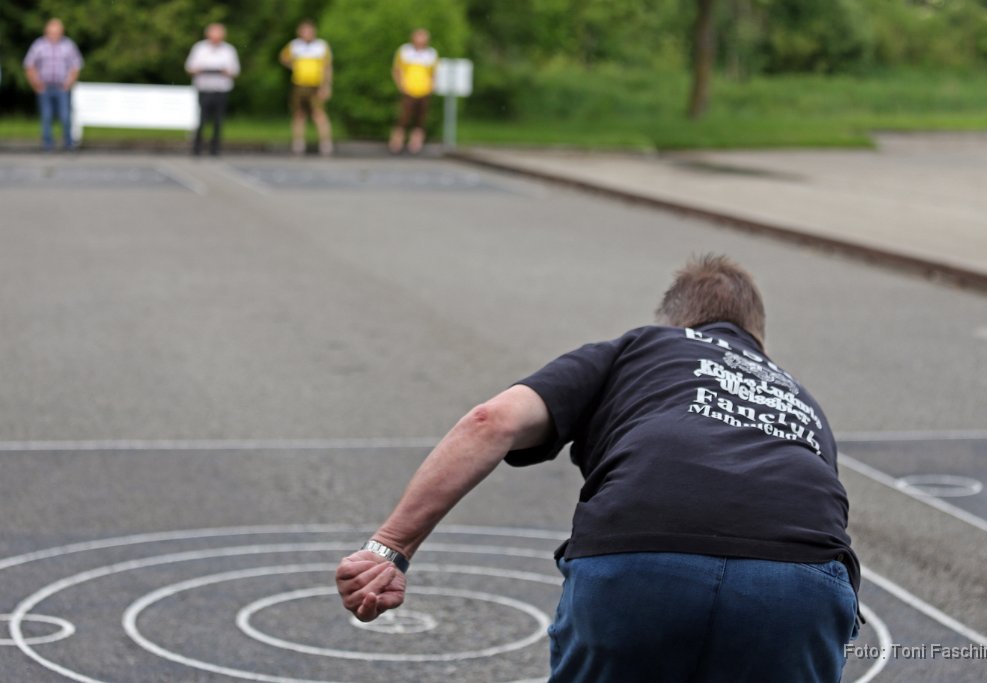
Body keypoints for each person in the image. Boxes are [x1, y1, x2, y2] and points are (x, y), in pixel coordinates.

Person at [336, 255, 861, 683]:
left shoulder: (644, 345)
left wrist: (391, 546)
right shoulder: (800, 398)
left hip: (642, 556)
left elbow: (490, 421)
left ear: (677, 322)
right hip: (799, 582)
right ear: (758, 340)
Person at [23, 18, 83, 152]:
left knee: (65, 116)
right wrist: (36, 84)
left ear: (61, 32)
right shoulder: (38, 45)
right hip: (44, 87)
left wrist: (69, 82)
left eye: (57, 32)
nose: (54, 35)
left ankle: (68, 144)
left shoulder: (68, 45)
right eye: (52, 32)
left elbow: (76, 65)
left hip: (62, 87)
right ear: (46, 32)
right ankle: (47, 145)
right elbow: (29, 65)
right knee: (46, 116)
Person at [184, 23, 240, 157]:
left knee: (218, 120)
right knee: (201, 119)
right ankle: (197, 148)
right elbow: (190, 68)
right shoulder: (199, 48)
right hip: (204, 88)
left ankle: (215, 149)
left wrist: (225, 72)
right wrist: (200, 69)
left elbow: (235, 70)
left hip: (221, 89)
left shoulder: (228, 50)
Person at [279, 20, 332, 156]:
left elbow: (327, 67)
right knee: (299, 114)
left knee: (319, 114)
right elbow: (283, 58)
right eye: (304, 31)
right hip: (299, 84)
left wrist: (326, 85)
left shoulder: (321, 46)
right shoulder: (295, 46)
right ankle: (298, 143)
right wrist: (293, 66)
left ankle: (325, 144)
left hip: (315, 85)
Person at [389, 28, 438, 155]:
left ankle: (416, 143)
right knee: (403, 117)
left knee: (420, 119)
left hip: (424, 90)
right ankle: (397, 142)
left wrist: (432, 86)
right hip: (409, 90)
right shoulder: (405, 51)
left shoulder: (431, 54)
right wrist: (401, 85)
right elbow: (397, 70)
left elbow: (434, 73)